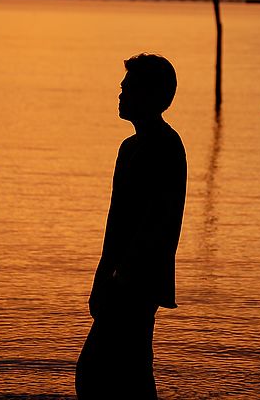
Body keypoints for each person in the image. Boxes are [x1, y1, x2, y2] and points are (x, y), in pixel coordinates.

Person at [76, 53, 187, 399]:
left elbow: (159, 220)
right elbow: (115, 222)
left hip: (138, 281)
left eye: (129, 88)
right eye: (122, 88)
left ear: (152, 95)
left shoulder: (166, 146)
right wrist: (101, 275)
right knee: (127, 371)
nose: (120, 94)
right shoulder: (129, 148)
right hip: (118, 276)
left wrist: (123, 276)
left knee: (99, 370)